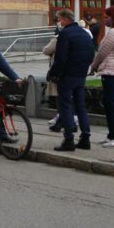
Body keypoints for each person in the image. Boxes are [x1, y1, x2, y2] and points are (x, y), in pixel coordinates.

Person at [47, 9, 95, 152]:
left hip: (67, 76)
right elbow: (91, 54)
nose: (58, 22)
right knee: (80, 106)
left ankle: (68, 139)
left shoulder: (65, 34)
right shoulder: (84, 34)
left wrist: (53, 73)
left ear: (65, 19)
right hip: (80, 75)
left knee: (66, 106)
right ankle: (85, 137)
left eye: (59, 19)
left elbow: (61, 58)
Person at [90, 6, 114, 148]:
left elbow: (101, 52)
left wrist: (93, 67)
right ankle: (112, 135)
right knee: (111, 104)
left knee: (112, 104)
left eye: (107, 17)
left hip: (110, 71)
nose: (105, 20)